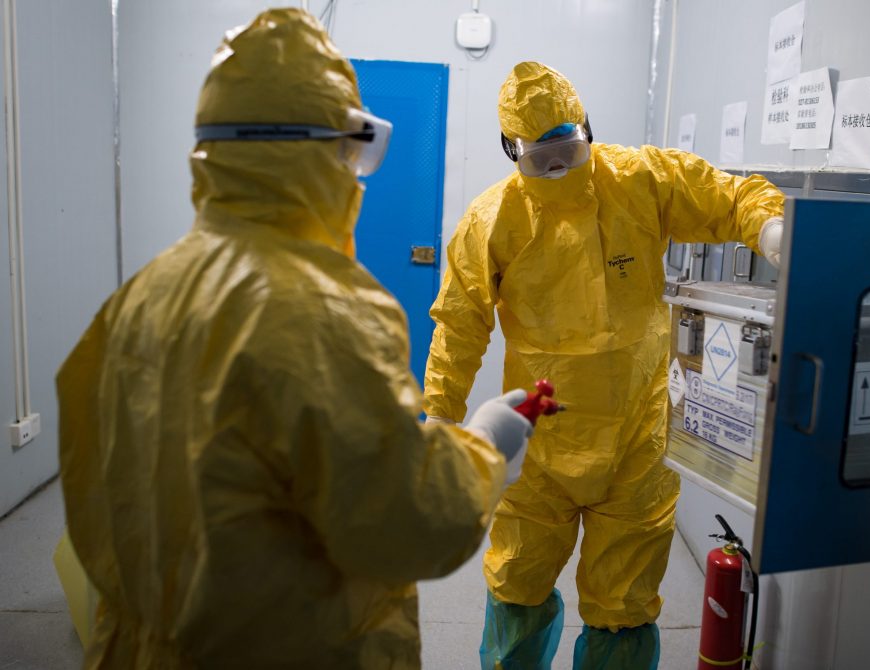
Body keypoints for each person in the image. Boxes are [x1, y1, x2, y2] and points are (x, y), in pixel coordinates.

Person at [56, 9, 531, 668]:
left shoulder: (140, 296)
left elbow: (103, 487)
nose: (354, 175)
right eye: (349, 151)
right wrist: (484, 448)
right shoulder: (327, 313)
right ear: (318, 151)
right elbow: (403, 524)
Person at [423, 61, 785, 669]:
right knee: (517, 583)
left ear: (587, 129)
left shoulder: (640, 180)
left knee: (625, 603)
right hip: (539, 446)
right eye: (542, 158)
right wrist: (438, 414)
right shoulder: (493, 220)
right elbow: (460, 323)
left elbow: (728, 194)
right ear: (512, 150)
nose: (559, 168)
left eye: (569, 148)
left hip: (636, 441)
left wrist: (768, 226)